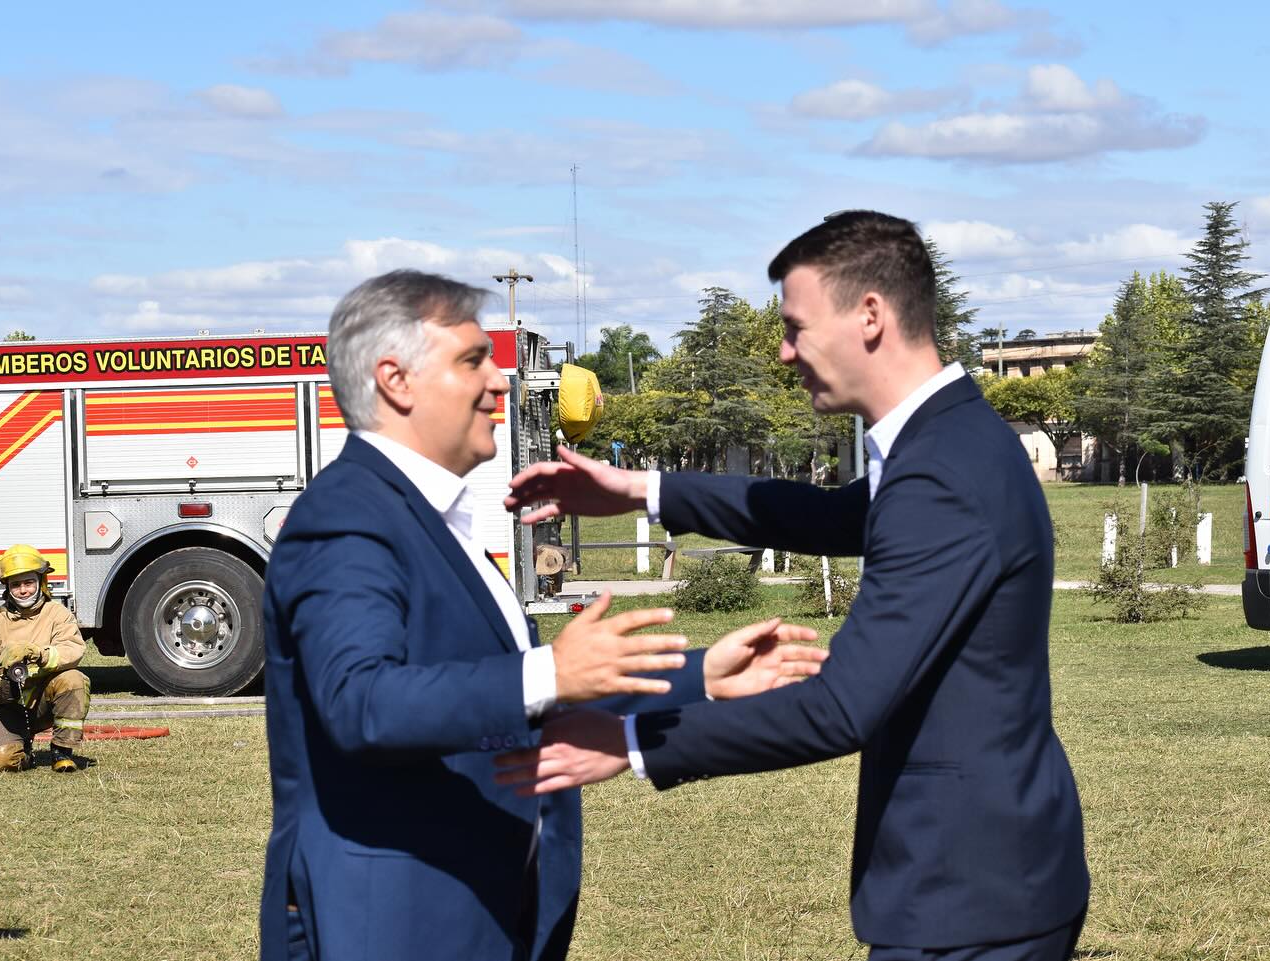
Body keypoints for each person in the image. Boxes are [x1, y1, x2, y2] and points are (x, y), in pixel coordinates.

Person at [498, 211, 1091, 961]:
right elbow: (821, 515)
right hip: (992, 875)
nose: (784, 353)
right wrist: (637, 488)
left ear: (870, 315)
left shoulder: (940, 471)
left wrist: (629, 741)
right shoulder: (953, 441)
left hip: (969, 897)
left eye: (796, 326)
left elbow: (842, 705)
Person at [259, 269, 826, 961]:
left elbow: (517, 689)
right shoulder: (348, 518)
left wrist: (704, 673)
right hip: (397, 925)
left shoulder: (431, 515)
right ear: (394, 381)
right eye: (473, 360)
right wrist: (551, 669)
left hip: (481, 910)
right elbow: (360, 701)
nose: (500, 382)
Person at [0, 545, 90, 773]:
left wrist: (40, 655)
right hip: (7, 706)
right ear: (8, 588)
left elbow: (73, 649)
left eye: (28, 582)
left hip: (44, 701)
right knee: (0, 763)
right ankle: (23, 753)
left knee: (74, 679)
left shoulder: (57, 614)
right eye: (16, 584)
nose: (23, 590)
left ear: (41, 582)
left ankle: (62, 750)